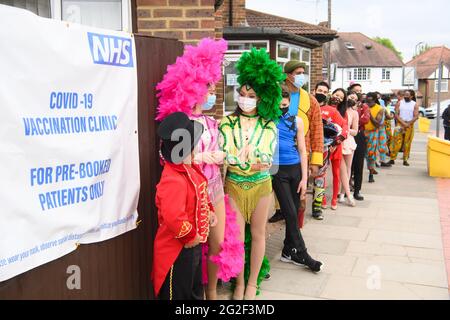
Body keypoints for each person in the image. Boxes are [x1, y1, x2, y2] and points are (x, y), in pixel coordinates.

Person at [155, 38, 244, 300]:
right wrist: (204, 155)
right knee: (192, 246)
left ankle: (211, 292)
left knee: (216, 243)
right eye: (207, 85)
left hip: (212, 187)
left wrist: (224, 156)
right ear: (193, 87)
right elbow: (167, 157)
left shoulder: (211, 121)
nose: (211, 90)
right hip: (189, 191)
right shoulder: (181, 121)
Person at [219, 48, 284, 300]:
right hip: (234, 184)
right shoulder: (226, 122)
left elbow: (267, 155)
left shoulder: (269, 124)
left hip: (260, 186)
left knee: (258, 235)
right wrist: (236, 157)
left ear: (262, 98)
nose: (245, 98)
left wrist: (259, 160)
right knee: (236, 238)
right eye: (242, 94)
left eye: (252, 95)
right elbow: (225, 152)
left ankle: (251, 283)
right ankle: (237, 283)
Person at [152, 112, 217, 300]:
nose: (197, 148)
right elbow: (173, 217)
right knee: (178, 294)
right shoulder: (172, 179)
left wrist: (210, 211)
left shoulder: (190, 170)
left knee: (195, 291)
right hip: (177, 251)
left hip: (193, 246)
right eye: (193, 144)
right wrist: (190, 236)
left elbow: (201, 194)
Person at [271, 84, 322, 271]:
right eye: (279, 105)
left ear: (290, 103)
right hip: (276, 170)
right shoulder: (268, 120)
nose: (282, 108)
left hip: (295, 169)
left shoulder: (298, 121)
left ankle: (287, 251)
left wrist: (304, 178)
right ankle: (304, 254)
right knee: (290, 213)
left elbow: (302, 150)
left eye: (285, 105)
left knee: (295, 211)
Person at [268, 60, 324, 223]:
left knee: (300, 197)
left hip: (300, 154)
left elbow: (317, 130)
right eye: (297, 73)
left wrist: (316, 160)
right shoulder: (277, 94)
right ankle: (282, 213)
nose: (301, 76)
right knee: (278, 193)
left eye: (302, 73)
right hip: (276, 155)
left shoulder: (311, 100)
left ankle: (296, 229)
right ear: (287, 75)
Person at [319, 89, 348, 211]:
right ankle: (322, 199)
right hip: (323, 146)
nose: (337, 98)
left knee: (336, 173)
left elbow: (344, 128)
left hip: (336, 145)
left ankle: (334, 199)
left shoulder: (342, 112)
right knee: (322, 173)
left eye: (341, 97)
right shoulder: (321, 108)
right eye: (336, 95)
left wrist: (336, 142)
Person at [338, 92, 359, 206]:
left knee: (348, 169)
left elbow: (355, 131)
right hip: (338, 140)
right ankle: (348, 194)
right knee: (341, 169)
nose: (352, 99)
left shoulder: (355, 113)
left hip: (348, 141)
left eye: (355, 98)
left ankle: (343, 194)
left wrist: (345, 129)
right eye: (351, 97)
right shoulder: (339, 109)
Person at [350, 85, 370, 200]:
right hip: (347, 136)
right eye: (355, 91)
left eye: (360, 91)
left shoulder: (364, 106)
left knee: (358, 164)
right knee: (347, 166)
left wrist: (354, 120)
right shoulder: (345, 107)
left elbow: (365, 119)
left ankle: (357, 190)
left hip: (359, 136)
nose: (358, 93)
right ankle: (344, 190)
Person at [390, 90, 419, 166]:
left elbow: (416, 116)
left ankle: (405, 159)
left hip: (409, 125)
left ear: (411, 96)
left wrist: (408, 123)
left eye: (407, 95)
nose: (405, 96)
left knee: (407, 143)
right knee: (395, 141)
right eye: (405, 95)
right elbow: (396, 115)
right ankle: (392, 159)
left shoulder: (414, 104)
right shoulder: (400, 103)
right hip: (400, 124)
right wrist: (403, 123)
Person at [364, 92, 385, 183]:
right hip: (361, 133)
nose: (368, 104)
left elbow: (377, 124)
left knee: (371, 154)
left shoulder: (380, 109)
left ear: (374, 100)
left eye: (370, 101)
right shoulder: (363, 106)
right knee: (361, 154)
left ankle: (371, 174)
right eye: (367, 101)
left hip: (372, 133)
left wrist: (369, 114)